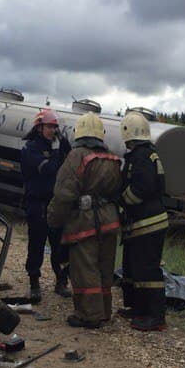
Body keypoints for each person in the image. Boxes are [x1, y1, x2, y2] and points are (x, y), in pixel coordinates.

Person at [47, 112, 122, 329]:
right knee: (104, 268)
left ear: (78, 133)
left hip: (85, 223)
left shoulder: (76, 156)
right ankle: (104, 312)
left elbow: (63, 194)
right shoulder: (112, 157)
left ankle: (88, 316)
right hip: (109, 222)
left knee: (85, 269)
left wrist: (53, 219)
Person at [118, 111, 169, 331]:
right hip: (144, 222)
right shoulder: (148, 154)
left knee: (148, 271)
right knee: (134, 268)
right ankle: (138, 309)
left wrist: (123, 201)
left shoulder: (141, 157)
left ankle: (156, 317)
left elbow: (142, 188)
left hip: (148, 223)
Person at [20, 109, 71, 301]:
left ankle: (61, 281)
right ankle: (34, 283)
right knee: (37, 244)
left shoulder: (57, 145)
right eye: (49, 126)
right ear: (39, 127)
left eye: (54, 127)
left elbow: (70, 161)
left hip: (55, 204)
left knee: (60, 245)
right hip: (38, 204)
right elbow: (49, 169)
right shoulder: (30, 149)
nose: (52, 130)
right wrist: (58, 151)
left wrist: (64, 144)